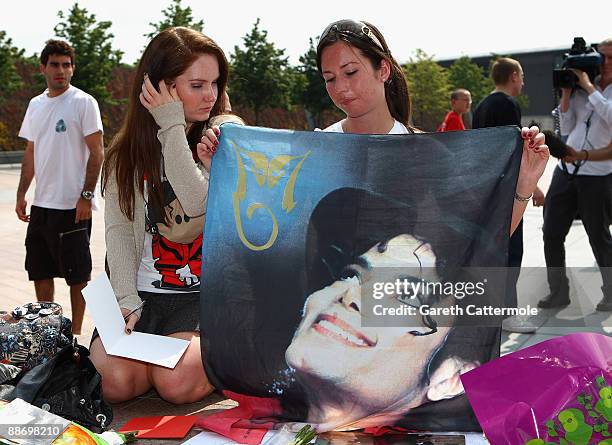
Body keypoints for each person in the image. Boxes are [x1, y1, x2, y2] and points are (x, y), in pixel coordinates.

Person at [92, 27, 236, 404]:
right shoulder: (125, 154)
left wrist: (171, 125)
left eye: (215, 83)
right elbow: (120, 232)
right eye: (197, 85)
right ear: (158, 88)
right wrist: (124, 298)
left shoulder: (224, 132)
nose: (211, 95)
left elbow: (195, 202)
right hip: (140, 297)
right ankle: (155, 358)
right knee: (114, 384)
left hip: (198, 298)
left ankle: (219, 358)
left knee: (175, 384)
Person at [285, 187, 496, 431]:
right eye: (351, 275)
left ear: (451, 378)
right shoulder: (238, 414)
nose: (351, 296)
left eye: (406, 297)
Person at [315, 21, 548, 236]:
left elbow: (479, 241)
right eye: (329, 78)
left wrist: (525, 182)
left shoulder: (426, 152)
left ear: (383, 70)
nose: (340, 87)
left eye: (350, 72)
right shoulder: (318, 153)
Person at [15, 39, 104, 335]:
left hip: (73, 207)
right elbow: (31, 152)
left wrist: (86, 196)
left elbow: (97, 151)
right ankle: (48, 335)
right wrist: (21, 194)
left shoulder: (83, 102)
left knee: (77, 277)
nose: (61, 71)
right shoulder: (36, 105)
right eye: (55, 64)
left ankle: (75, 338)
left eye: (67, 65)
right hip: (42, 206)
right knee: (40, 272)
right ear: (43, 68)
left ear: (72, 69)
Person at [472, 57, 545, 333]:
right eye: (522, 76)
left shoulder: (482, 106)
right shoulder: (506, 105)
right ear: (513, 76)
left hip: (487, 188)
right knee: (512, 250)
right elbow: (514, 150)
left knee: (492, 250)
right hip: (508, 191)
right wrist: (533, 186)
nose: (524, 82)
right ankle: (507, 314)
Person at [539, 38, 612, 312]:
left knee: (598, 236)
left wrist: (590, 87)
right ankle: (558, 293)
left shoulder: (595, 89)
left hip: (597, 174)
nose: (603, 63)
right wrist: (568, 94)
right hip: (566, 170)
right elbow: (566, 125)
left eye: (609, 58)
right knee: (551, 233)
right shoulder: (580, 90)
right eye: (600, 56)